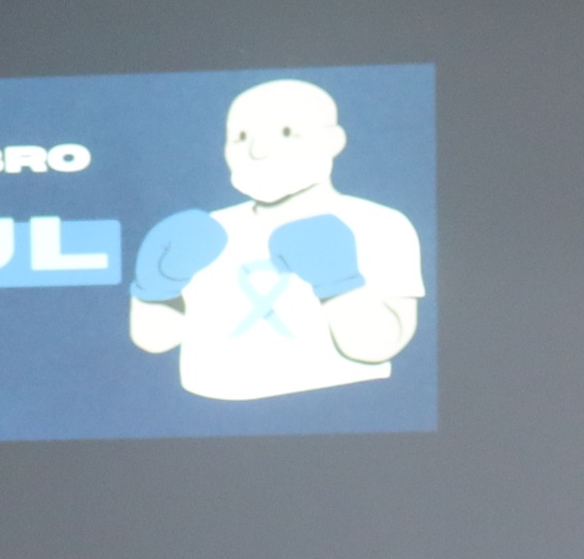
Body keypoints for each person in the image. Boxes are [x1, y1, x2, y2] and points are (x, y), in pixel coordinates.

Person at [127, 77, 426, 401]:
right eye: (240, 137)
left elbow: (381, 346)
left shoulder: (378, 223)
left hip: (339, 409)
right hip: (207, 411)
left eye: (286, 132)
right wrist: (156, 285)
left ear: (333, 140)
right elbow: (156, 340)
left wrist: (342, 285)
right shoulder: (208, 231)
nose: (257, 151)